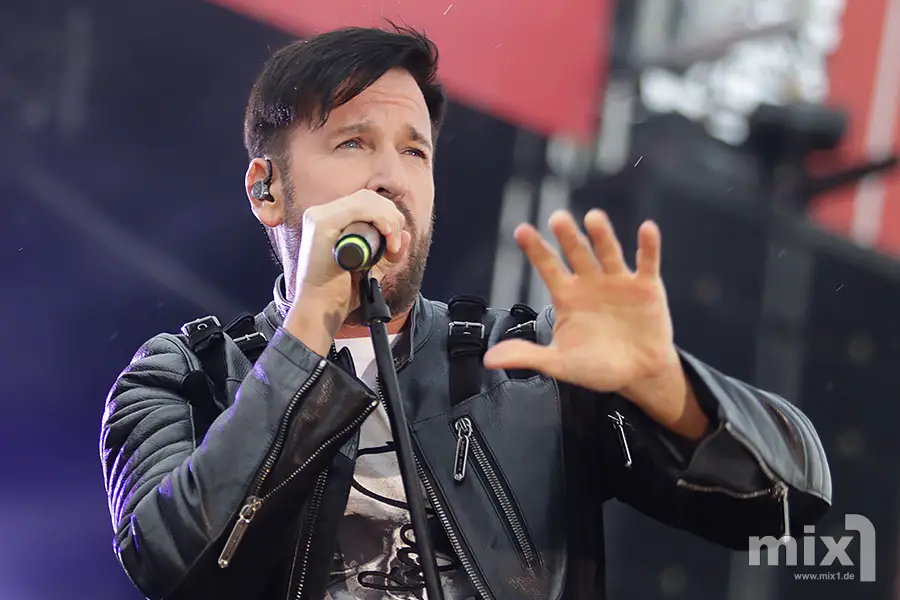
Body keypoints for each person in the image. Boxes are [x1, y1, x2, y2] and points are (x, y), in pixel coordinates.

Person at [99, 24, 832, 600]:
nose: (391, 178)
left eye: (415, 153)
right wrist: (310, 326)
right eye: (353, 142)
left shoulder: (530, 370)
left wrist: (667, 388)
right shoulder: (185, 380)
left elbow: (790, 503)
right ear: (267, 189)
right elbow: (174, 567)